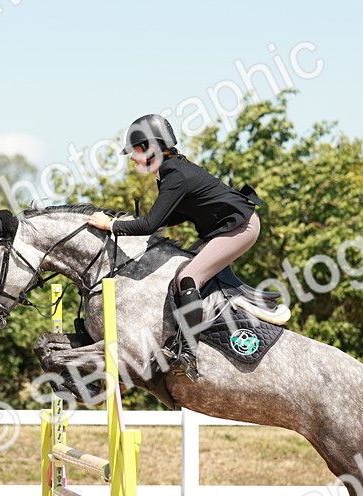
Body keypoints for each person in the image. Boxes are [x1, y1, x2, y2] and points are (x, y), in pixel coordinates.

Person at [87, 114, 261, 380]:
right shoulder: (171, 170)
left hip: (241, 228)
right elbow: (168, 218)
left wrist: (111, 225)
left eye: (134, 151)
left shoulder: (175, 173)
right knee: (179, 271)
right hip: (223, 228)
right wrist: (130, 223)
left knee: (189, 276)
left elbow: (151, 224)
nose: (131, 159)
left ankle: (188, 354)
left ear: (149, 148)